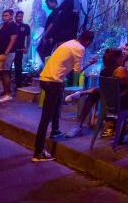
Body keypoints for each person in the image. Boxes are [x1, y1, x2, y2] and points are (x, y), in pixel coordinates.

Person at [32, 30, 97, 162]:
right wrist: (90, 63)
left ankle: (55, 130)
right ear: (88, 41)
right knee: (45, 118)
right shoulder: (80, 48)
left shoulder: (70, 43)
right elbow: (77, 71)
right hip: (53, 82)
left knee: (58, 102)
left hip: (46, 79)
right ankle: (38, 152)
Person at [13, 10, 31, 88]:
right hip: (10, 50)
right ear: (15, 17)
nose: (20, 18)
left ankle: (18, 86)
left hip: (19, 50)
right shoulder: (12, 26)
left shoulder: (25, 27)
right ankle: (6, 89)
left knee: (18, 67)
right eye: (19, 16)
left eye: (21, 16)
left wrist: (27, 48)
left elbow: (28, 38)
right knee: (7, 69)